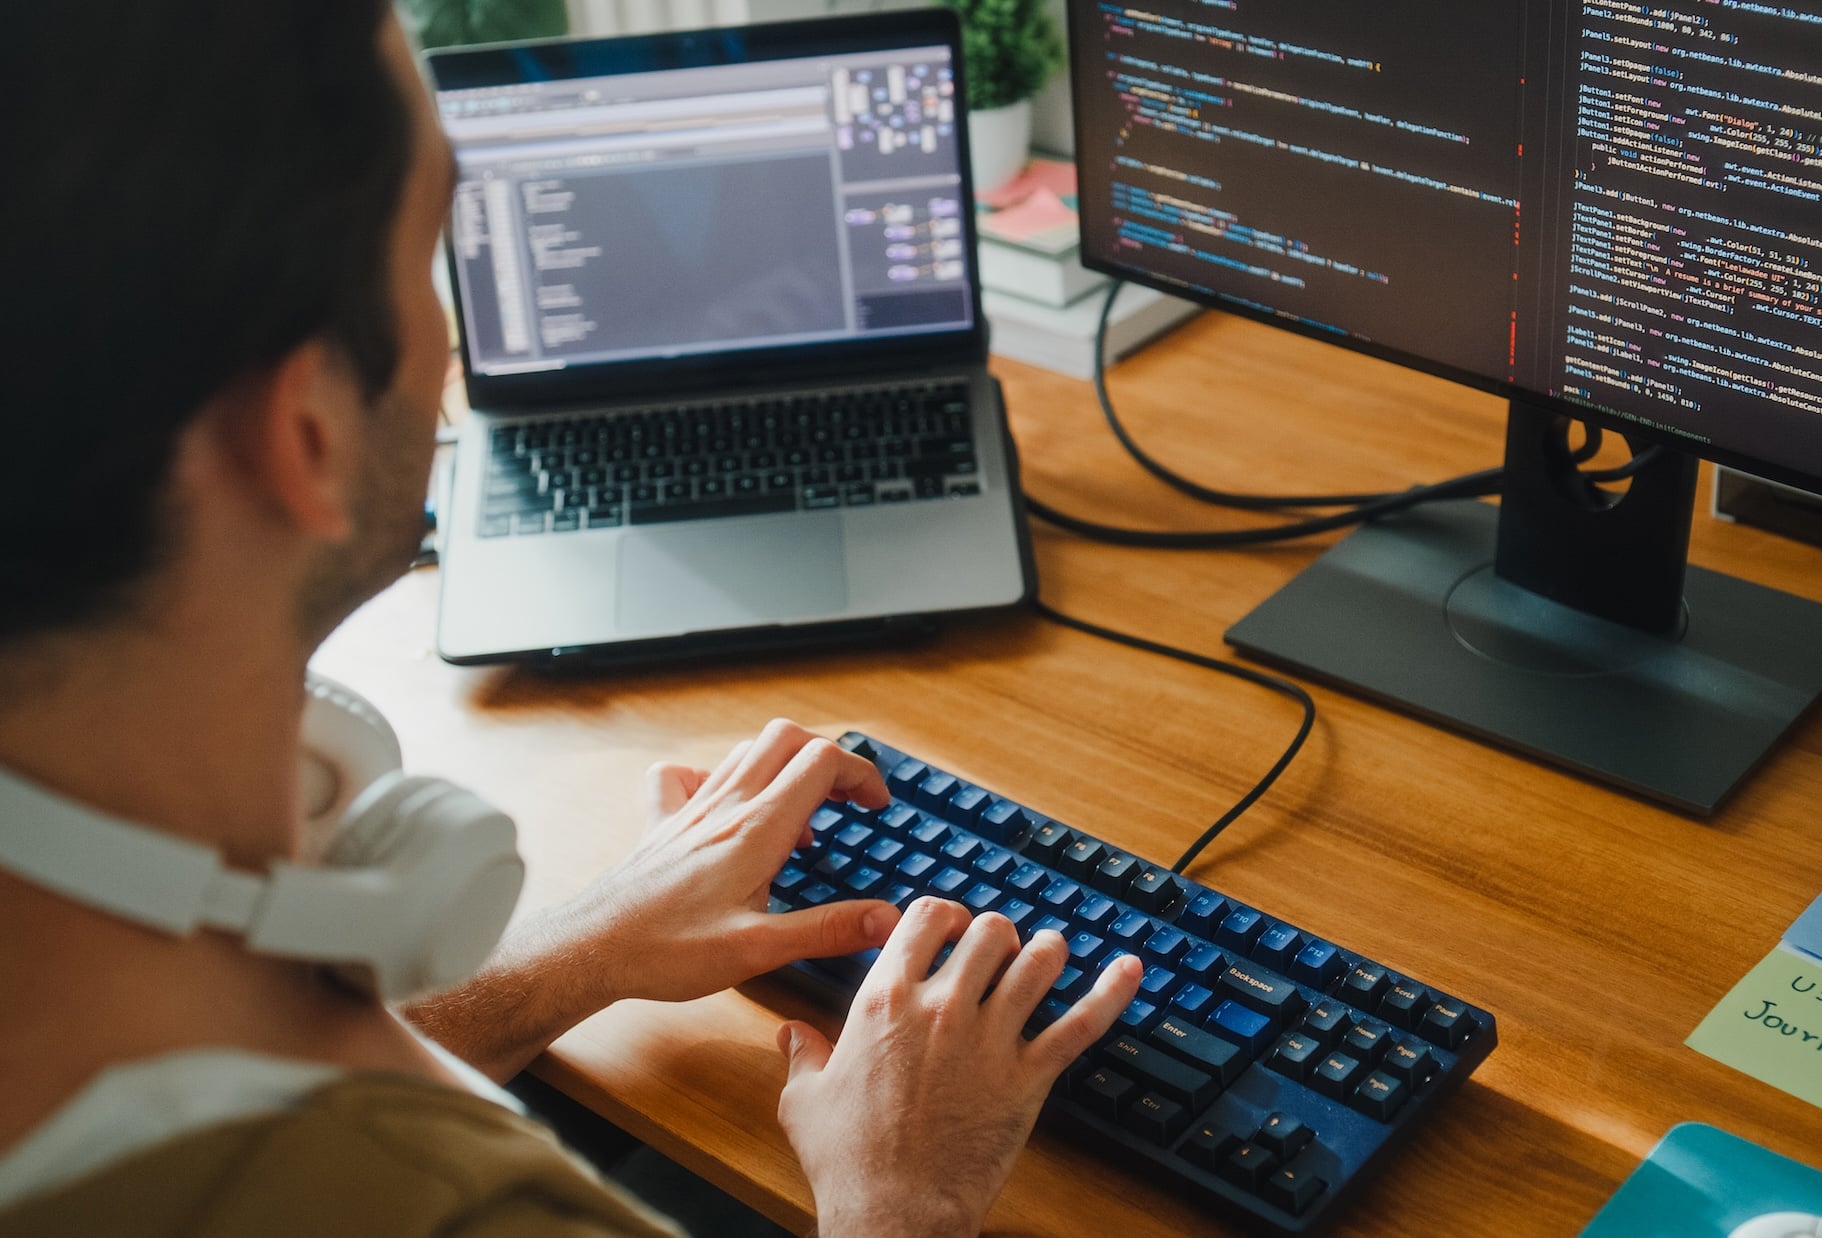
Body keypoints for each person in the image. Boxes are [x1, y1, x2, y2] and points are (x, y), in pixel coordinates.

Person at [0, 4, 1142, 1236]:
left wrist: (580, 949)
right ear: (307, 431)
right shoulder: (454, 1208)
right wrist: (902, 1199)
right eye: (430, 252)